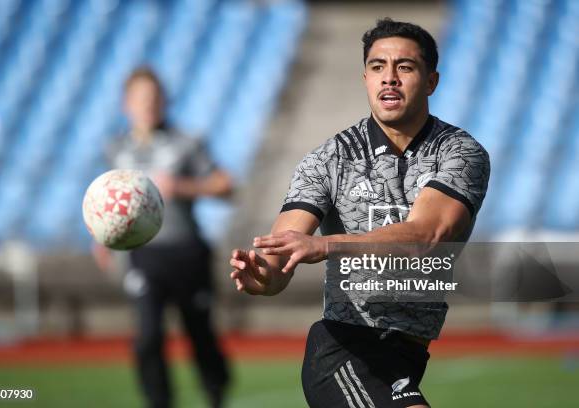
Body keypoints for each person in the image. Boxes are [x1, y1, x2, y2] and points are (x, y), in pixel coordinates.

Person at [229, 18, 490, 408]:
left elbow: (428, 235)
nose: (389, 79)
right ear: (365, 78)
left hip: (407, 355)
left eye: (405, 67)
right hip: (345, 349)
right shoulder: (327, 160)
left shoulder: (460, 153)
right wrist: (262, 275)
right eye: (377, 67)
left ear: (432, 81)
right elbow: (281, 257)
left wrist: (326, 246)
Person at [93, 67, 231, 408]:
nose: (148, 104)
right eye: (141, 98)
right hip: (143, 255)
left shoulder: (186, 143)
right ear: (126, 104)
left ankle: (215, 392)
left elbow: (225, 185)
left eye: (154, 97)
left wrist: (182, 187)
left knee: (199, 334)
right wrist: (101, 238)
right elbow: (106, 202)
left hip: (186, 252)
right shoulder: (115, 149)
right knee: (148, 336)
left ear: (164, 101)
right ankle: (159, 401)